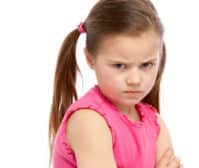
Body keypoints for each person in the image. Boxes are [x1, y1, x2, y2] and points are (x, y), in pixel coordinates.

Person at [48, 0, 182, 167]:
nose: (135, 80)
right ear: (90, 59)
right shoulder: (89, 121)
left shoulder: (154, 122)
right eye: (119, 66)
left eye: (146, 65)